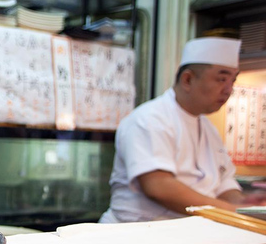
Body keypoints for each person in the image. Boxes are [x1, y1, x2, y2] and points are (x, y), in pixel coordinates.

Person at [100, 37, 253, 224]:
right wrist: (231, 211)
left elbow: (224, 184)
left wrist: (250, 210)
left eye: (233, 81)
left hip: (186, 234)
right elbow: (159, 186)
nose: (229, 90)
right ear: (187, 79)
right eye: (221, 79)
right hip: (136, 235)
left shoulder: (209, 129)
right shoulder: (149, 118)